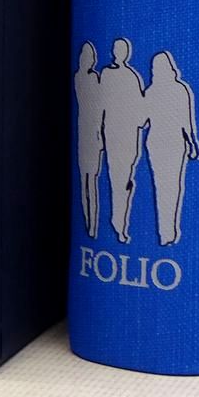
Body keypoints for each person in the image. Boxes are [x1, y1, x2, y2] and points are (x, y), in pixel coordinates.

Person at [145, 51, 199, 245]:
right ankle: (170, 231)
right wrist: (193, 143)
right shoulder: (180, 89)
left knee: (160, 187)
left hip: (155, 143)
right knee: (173, 187)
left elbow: (142, 121)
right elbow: (187, 123)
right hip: (175, 143)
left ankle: (164, 233)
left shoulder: (151, 91)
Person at [100, 38, 148, 244]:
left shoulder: (110, 74)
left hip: (118, 136)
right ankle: (119, 223)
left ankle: (119, 221)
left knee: (119, 180)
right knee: (122, 180)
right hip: (122, 137)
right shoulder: (130, 77)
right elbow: (140, 116)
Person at [73, 42, 104, 238]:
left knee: (86, 180)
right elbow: (99, 110)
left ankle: (89, 223)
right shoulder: (91, 78)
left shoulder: (79, 76)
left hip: (84, 130)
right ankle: (91, 225)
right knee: (90, 181)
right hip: (91, 132)